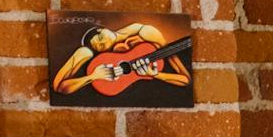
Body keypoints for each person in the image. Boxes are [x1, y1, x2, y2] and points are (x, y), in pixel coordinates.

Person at [51, 22, 191, 99]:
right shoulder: (89, 53)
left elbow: (185, 79)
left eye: (100, 38)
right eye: (100, 46)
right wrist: (94, 76)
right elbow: (58, 87)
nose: (104, 42)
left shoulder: (145, 32)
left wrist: (155, 75)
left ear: (101, 29)